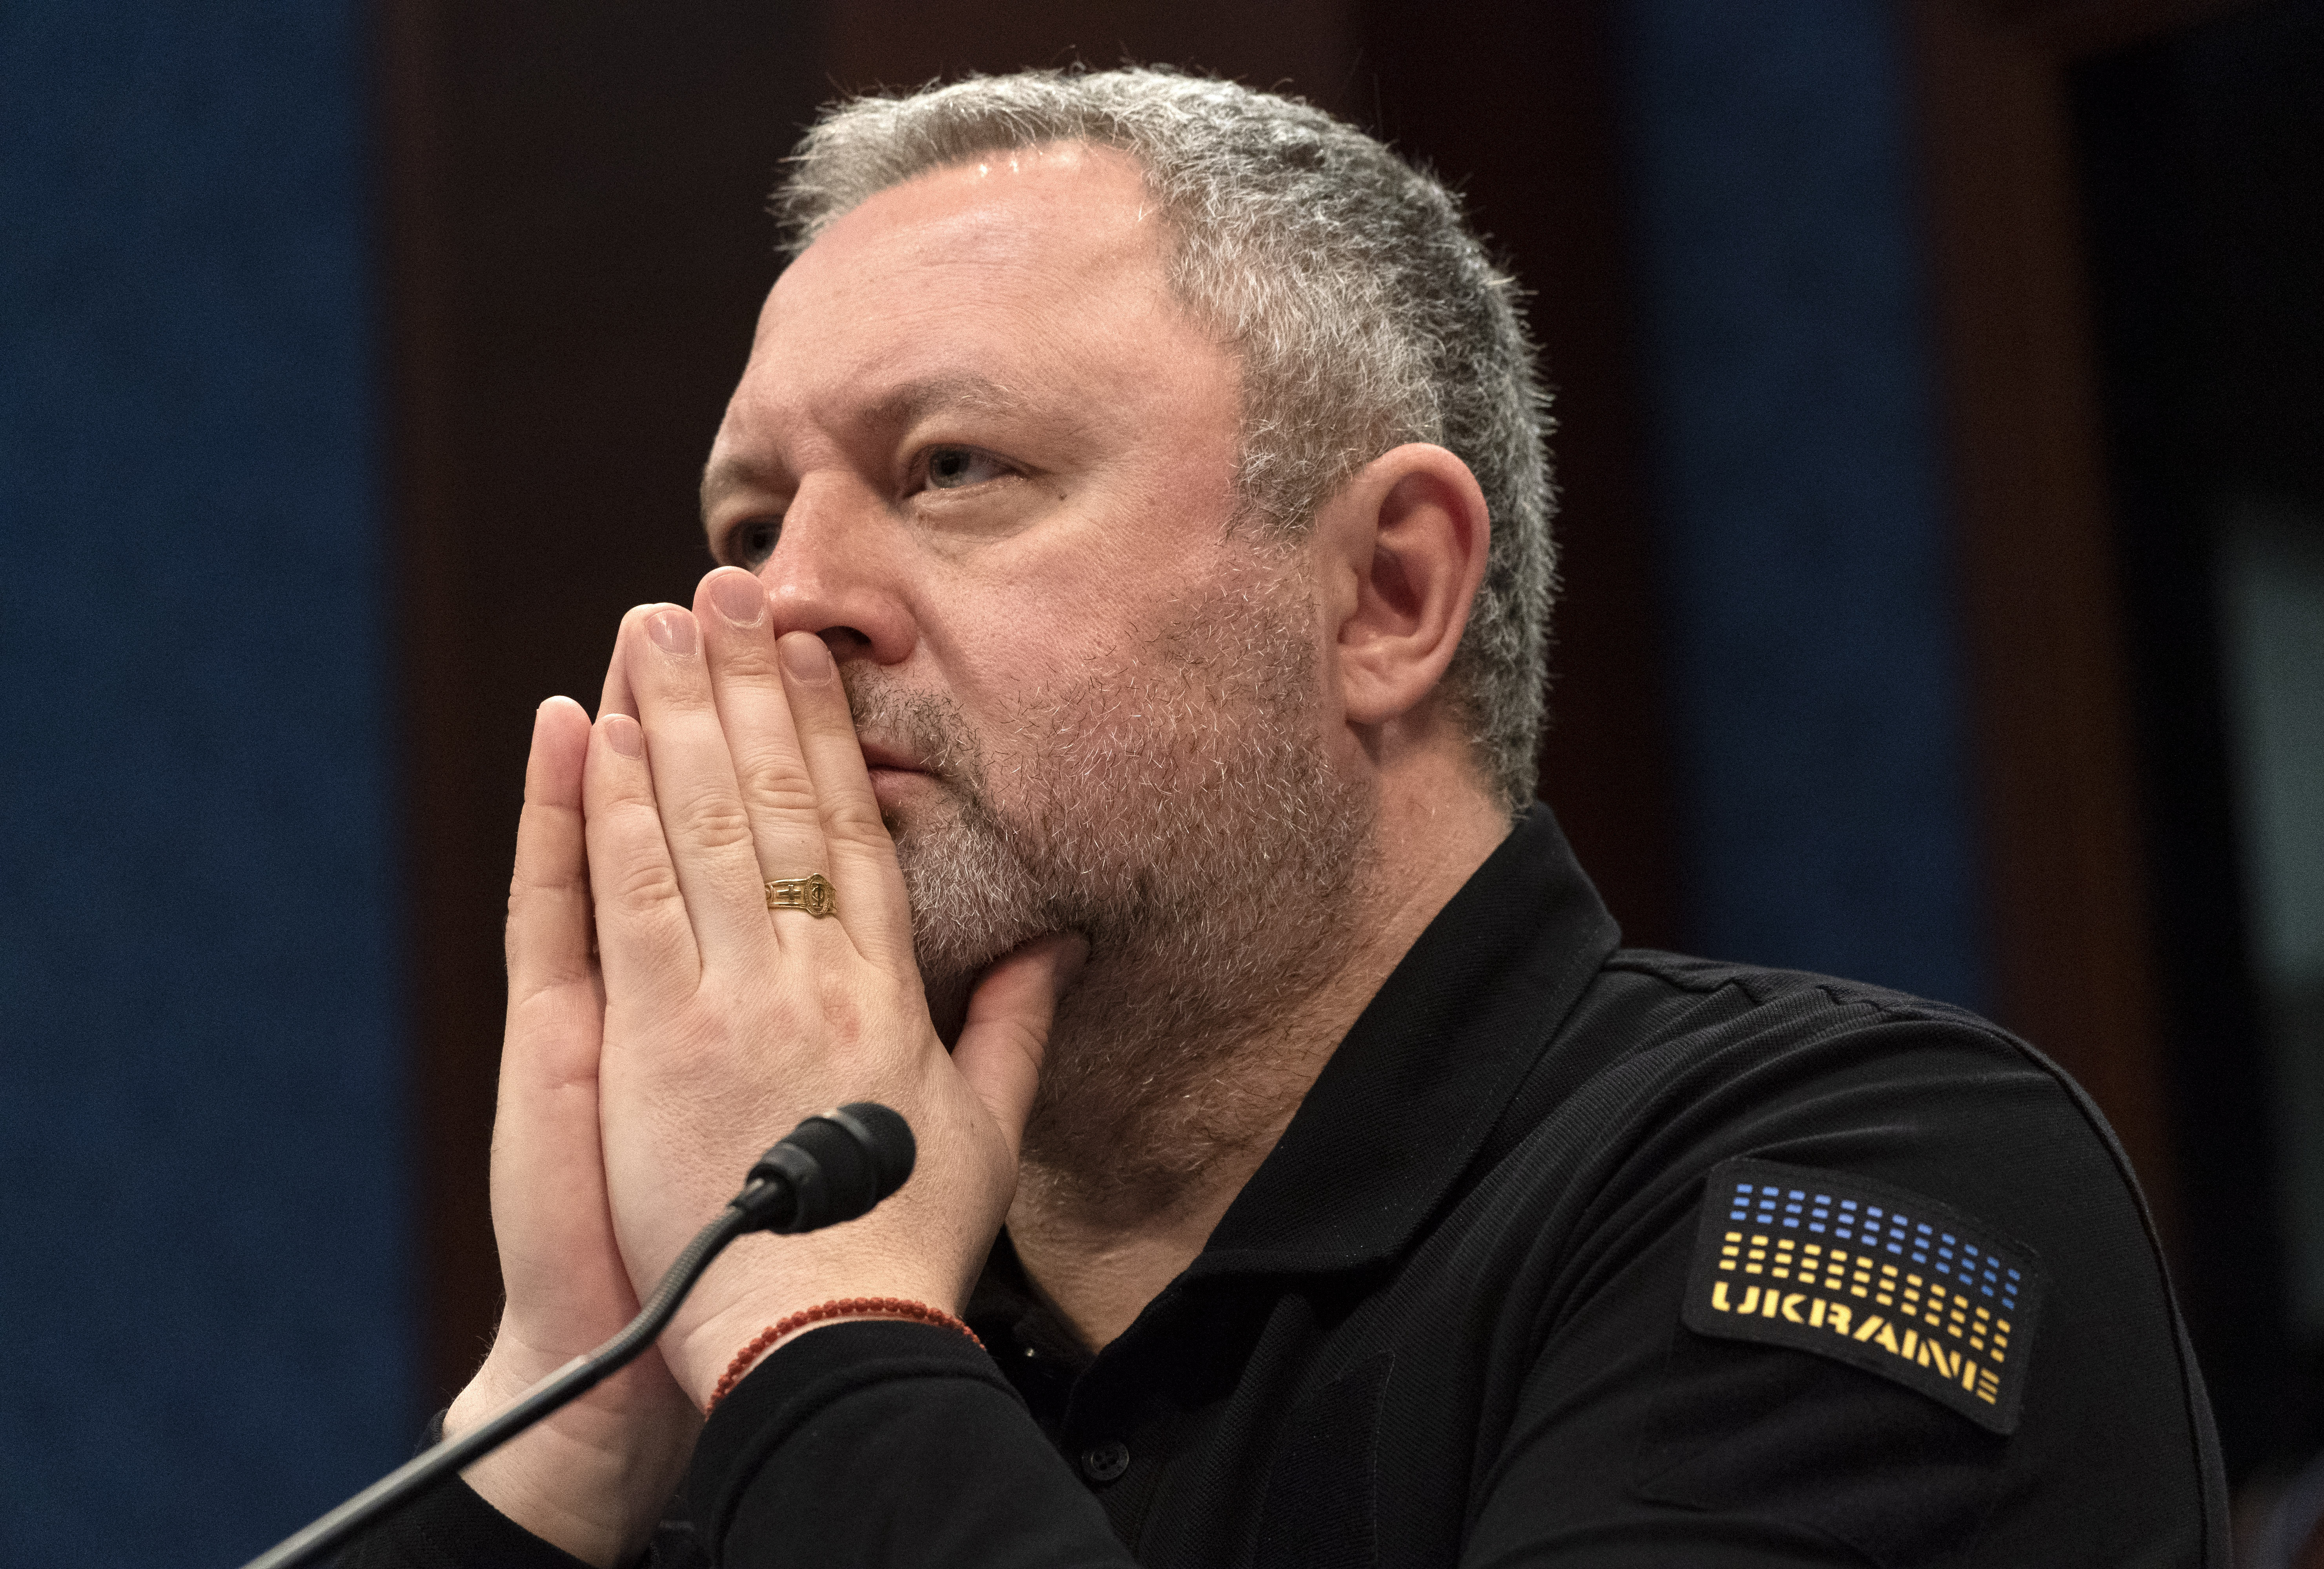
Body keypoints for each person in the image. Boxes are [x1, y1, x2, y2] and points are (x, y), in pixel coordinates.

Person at [348, 69, 2227, 1568]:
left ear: (1387, 595)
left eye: (954, 469)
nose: (783, 599)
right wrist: (566, 1417)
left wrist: (821, 1344)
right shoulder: (784, 1332)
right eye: (750, 520)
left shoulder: (1868, 1170)